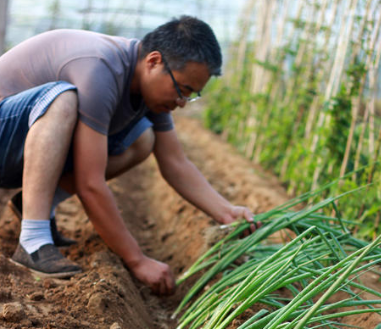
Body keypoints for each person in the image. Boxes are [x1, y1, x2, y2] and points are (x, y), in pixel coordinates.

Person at [0, 16, 257, 295]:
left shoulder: (147, 88)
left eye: (191, 95)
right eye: (182, 90)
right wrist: (137, 260)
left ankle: (34, 205)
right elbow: (90, 183)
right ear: (154, 61)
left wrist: (226, 212)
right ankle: (33, 242)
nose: (182, 103)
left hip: (17, 148)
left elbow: (175, 162)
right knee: (62, 99)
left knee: (143, 138)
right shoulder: (101, 69)